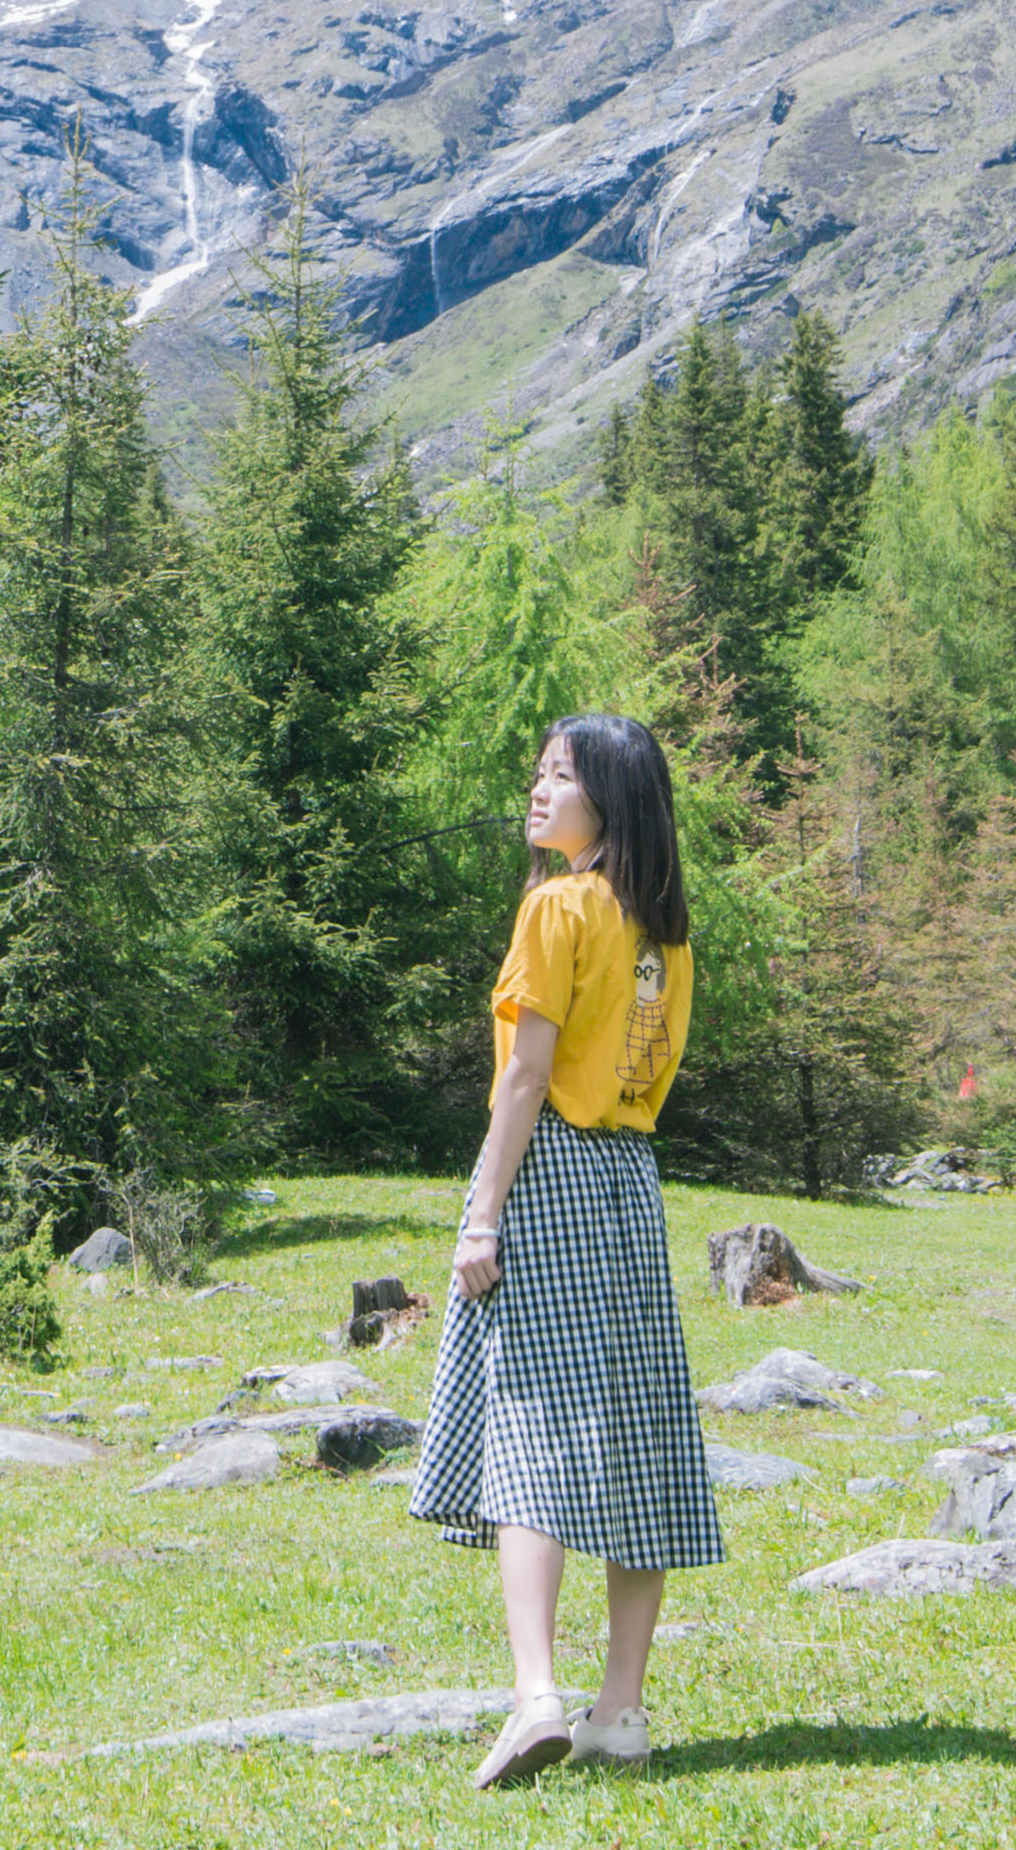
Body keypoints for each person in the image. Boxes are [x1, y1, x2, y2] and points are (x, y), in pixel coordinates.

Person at [410, 709, 714, 1788]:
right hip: (631, 1184)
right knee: (639, 1431)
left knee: (530, 1425)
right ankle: (619, 1710)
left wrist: (481, 1212)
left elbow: (526, 1077)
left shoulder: (558, 906)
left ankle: (537, 1694)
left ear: (611, 800)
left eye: (561, 777)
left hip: (550, 1175)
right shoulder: (664, 936)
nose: (538, 792)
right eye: (538, 774)